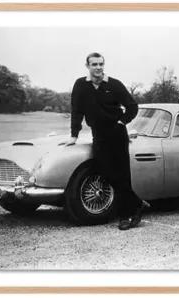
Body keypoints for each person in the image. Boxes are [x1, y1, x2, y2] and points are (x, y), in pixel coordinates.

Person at [66, 52, 149, 230]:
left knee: (122, 174)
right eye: (94, 64)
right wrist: (74, 135)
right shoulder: (81, 85)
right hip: (99, 134)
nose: (98, 68)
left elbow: (132, 107)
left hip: (117, 133)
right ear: (87, 66)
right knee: (105, 171)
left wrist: (122, 121)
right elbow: (76, 110)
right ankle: (137, 203)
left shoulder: (114, 84)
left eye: (100, 64)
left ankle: (125, 216)